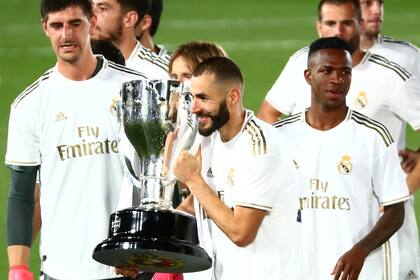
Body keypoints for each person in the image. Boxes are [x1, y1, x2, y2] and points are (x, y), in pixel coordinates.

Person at [258, 0, 420, 277]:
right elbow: (267, 116)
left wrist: (401, 188)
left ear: (359, 23)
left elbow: (395, 207)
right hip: (310, 228)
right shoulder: (300, 65)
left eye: (346, 23)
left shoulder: (391, 77)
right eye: (330, 23)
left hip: (373, 222)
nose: (338, 31)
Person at [5, 0, 147, 279]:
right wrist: (18, 266)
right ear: (45, 28)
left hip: (126, 266)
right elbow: (22, 194)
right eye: (57, 25)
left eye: (75, 24)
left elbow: (157, 176)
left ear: (92, 23)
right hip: (62, 268)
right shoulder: (30, 104)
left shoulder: (135, 88)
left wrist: (147, 248)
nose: (66, 35)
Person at [173, 56, 302, 279]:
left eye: (203, 98)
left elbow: (241, 233)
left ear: (233, 96)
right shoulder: (210, 138)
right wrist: (146, 252)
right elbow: (196, 205)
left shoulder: (260, 148)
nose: (194, 108)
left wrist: (194, 179)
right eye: (192, 97)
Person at [92, 0, 169, 79]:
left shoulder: (159, 75)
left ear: (129, 19)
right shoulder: (82, 63)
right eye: (90, 7)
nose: (91, 16)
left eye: (102, 9)